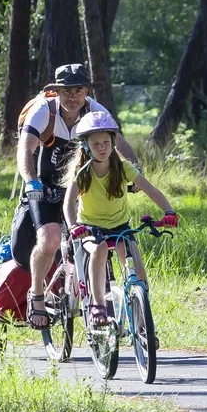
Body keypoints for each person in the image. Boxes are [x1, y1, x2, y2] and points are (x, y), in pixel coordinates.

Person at [16, 63, 135, 329]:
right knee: (49, 239)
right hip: (44, 185)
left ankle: (97, 297)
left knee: (97, 235)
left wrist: (135, 169)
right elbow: (26, 148)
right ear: (56, 91)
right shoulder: (43, 111)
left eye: (79, 90)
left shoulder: (95, 110)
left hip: (80, 185)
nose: (73, 97)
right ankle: (36, 295)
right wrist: (31, 182)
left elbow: (119, 141)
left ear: (86, 91)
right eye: (67, 91)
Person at [62, 110, 178, 326]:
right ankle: (98, 305)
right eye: (96, 144)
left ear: (113, 141)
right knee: (100, 249)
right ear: (86, 145)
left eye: (106, 142)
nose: (102, 148)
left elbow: (151, 190)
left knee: (139, 276)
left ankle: (143, 325)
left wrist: (169, 211)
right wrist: (73, 226)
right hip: (91, 228)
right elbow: (68, 203)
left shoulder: (123, 168)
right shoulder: (83, 172)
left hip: (120, 227)